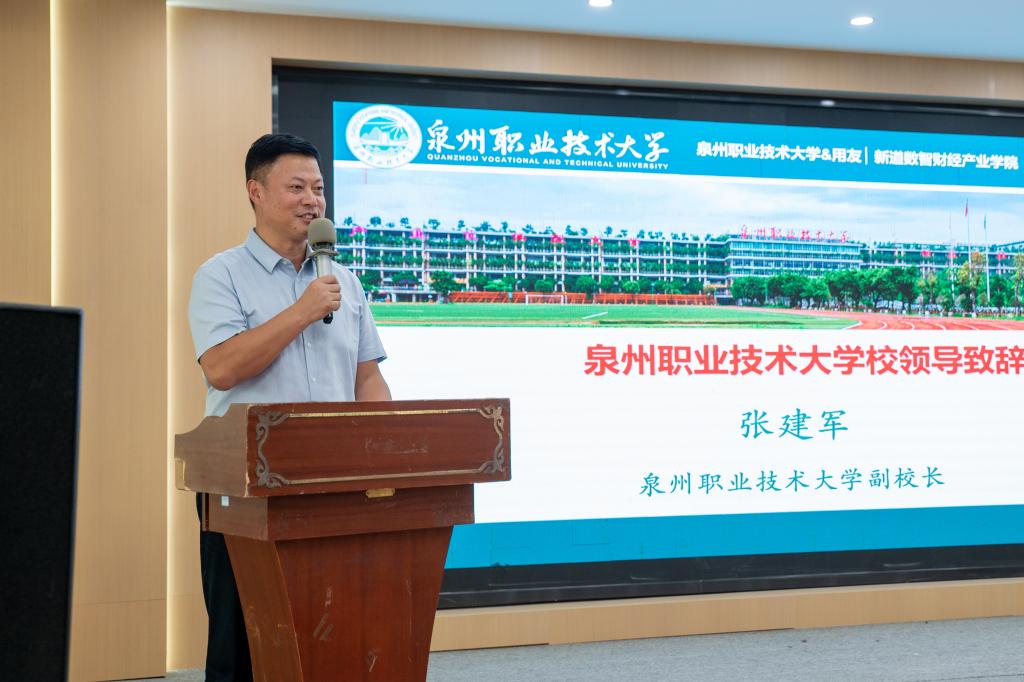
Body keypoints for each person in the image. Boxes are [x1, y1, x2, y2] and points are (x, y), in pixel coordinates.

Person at [187, 133, 391, 681]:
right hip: (245, 484)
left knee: (330, 627)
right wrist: (301, 311)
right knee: (243, 634)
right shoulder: (221, 274)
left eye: (318, 189)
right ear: (255, 192)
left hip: (333, 480)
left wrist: (386, 453)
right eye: (296, 187)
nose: (312, 201)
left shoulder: (344, 281)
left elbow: (368, 379)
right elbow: (222, 367)